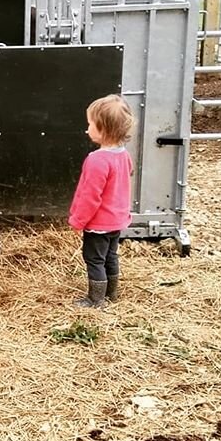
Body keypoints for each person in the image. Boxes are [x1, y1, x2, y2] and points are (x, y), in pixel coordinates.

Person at [68, 94, 134, 307]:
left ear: (103, 129)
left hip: (98, 224)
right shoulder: (123, 155)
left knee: (94, 259)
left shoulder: (97, 160)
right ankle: (111, 294)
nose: (87, 128)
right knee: (110, 256)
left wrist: (78, 221)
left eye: (90, 124)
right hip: (117, 220)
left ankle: (96, 299)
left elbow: (90, 196)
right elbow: (129, 173)